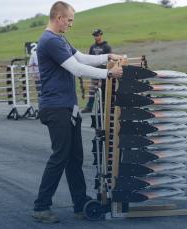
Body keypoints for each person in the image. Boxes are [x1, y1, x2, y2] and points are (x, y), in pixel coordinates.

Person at [32, 1, 123, 223]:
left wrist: (106, 58)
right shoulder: (49, 40)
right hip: (55, 108)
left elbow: (81, 57)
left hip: (67, 107)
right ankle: (41, 207)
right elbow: (76, 68)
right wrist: (108, 75)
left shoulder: (59, 39)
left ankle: (80, 204)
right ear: (59, 17)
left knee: (74, 158)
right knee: (60, 156)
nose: (71, 24)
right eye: (69, 20)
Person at [81, 28, 112, 113]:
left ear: (101, 35)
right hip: (94, 71)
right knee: (92, 90)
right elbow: (89, 58)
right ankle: (89, 107)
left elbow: (110, 59)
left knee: (103, 90)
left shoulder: (107, 47)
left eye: (97, 35)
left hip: (103, 72)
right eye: (94, 35)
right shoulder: (92, 47)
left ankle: (101, 108)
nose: (95, 37)